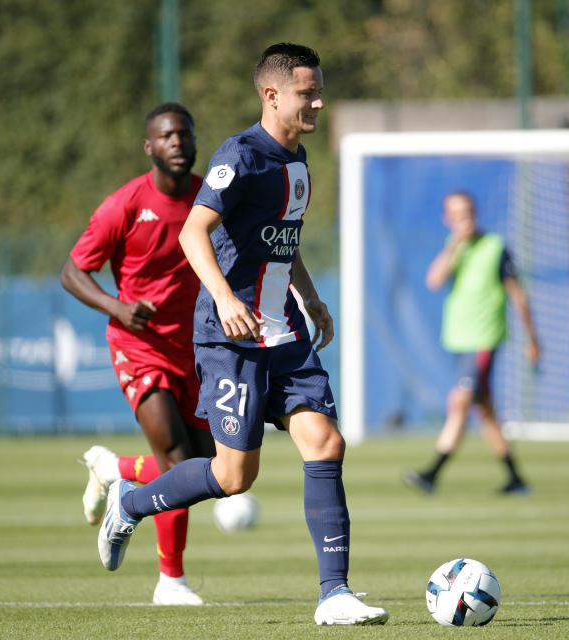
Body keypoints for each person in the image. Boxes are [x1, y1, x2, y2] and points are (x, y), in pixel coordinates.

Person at [96, 43, 389, 626]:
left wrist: (310, 298)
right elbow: (193, 234)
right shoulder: (240, 156)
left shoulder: (299, 160)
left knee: (326, 444)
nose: (319, 101)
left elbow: (285, 240)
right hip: (232, 339)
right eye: (309, 92)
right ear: (272, 94)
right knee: (233, 476)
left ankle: (335, 595)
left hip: (284, 333)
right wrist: (227, 299)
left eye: (318, 90)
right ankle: (128, 504)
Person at [61, 102, 214, 605]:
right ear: (149, 147)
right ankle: (171, 581)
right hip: (139, 345)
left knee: (210, 463)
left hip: (194, 346)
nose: (177, 143)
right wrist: (119, 308)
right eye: (166, 136)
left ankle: (115, 470)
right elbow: (73, 272)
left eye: (184, 135)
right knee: (177, 459)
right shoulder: (124, 204)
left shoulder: (207, 198)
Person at [404, 191, 540, 495]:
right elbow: (434, 280)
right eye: (457, 214)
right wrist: (455, 246)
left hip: (484, 339)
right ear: (447, 219)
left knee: (460, 400)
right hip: (459, 340)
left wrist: (533, 338)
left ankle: (432, 473)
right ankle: (515, 478)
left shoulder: (495, 247)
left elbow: (518, 296)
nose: (465, 219)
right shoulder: (453, 249)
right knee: (485, 410)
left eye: (468, 212)